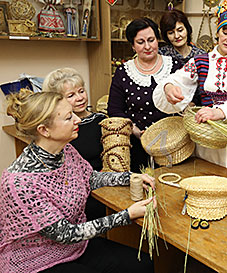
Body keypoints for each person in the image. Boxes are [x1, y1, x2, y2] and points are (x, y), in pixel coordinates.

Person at [0, 89, 155, 273]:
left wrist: (130, 177)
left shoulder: (66, 151)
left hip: (75, 247)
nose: (78, 120)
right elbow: (65, 233)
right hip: (35, 261)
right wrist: (126, 215)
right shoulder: (20, 182)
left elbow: (91, 178)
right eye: (68, 117)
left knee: (142, 263)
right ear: (44, 130)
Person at [153, 0, 227, 177]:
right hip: (207, 131)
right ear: (217, 31)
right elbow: (177, 79)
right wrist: (168, 87)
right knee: (208, 181)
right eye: (225, 32)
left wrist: (221, 112)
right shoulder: (200, 61)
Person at [108, 17, 179, 172]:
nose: (147, 46)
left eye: (151, 40)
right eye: (140, 42)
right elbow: (114, 110)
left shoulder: (174, 66)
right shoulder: (123, 72)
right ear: (133, 46)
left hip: (173, 145)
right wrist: (134, 130)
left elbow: (191, 99)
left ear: (157, 40)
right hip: (137, 144)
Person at [43, 68, 107, 221]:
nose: (80, 98)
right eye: (71, 95)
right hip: (76, 194)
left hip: (104, 184)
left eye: (81, 91)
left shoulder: (101, 120)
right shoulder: (59, 130)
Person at [159, 9, 205, 106]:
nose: (177, 36)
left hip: (194, 109)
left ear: (187, 29)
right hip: (167, 107)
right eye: (171, 33)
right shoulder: (162, 55)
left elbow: (203, 88)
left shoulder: (201, 55)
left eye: (180, 30)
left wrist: (193, 103)